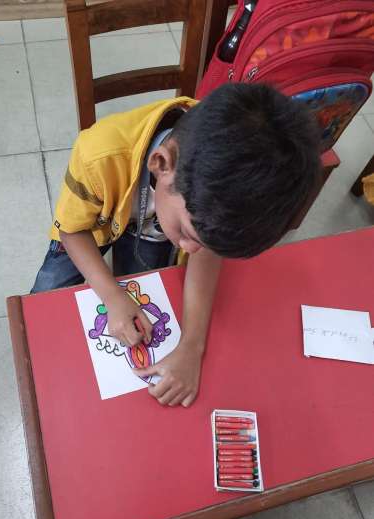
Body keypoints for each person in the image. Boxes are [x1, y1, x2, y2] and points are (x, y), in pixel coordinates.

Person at [31, 83, 321, 407]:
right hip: (90, 229)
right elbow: (72, 233)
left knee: (142, 285)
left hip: (151, 230)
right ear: (161, 163)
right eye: (187, 234)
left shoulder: (218, 193)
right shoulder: (98, 155)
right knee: (43, 302)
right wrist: (112, 296)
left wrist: (191, 347)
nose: (190, 250)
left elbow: (204, 252)